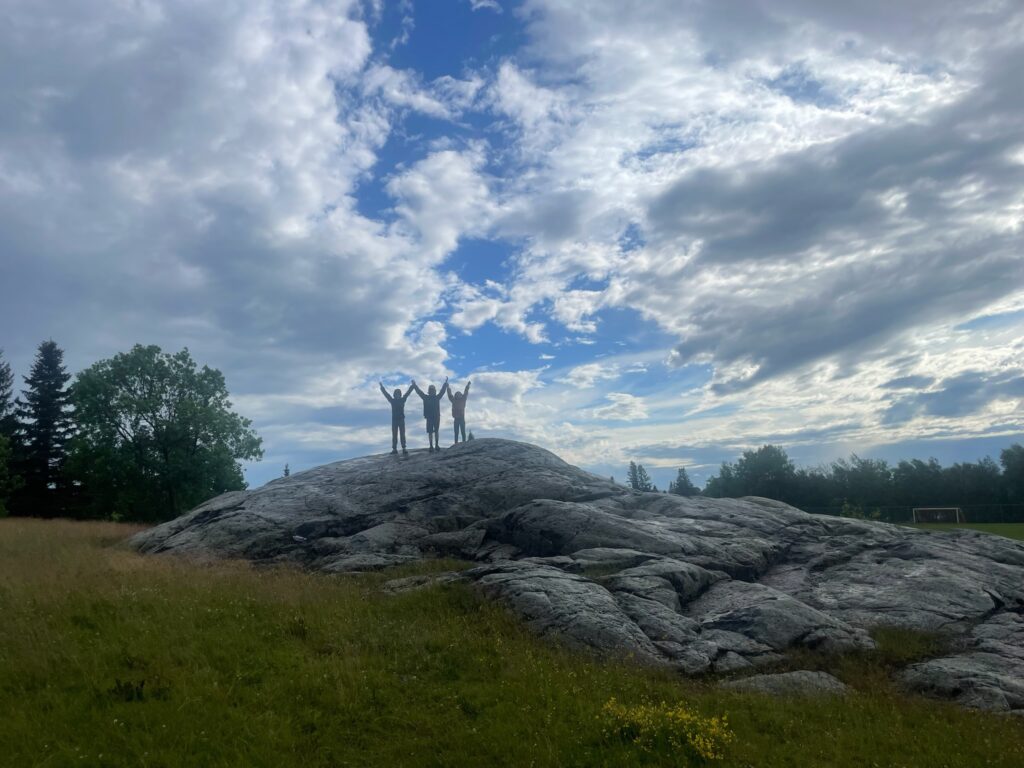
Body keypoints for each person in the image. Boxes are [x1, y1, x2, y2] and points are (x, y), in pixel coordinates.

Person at [411, 377, 449, 452]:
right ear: (429, 391)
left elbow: (442, 391)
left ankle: (436, 445)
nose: (432, 391)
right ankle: (431, 446)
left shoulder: (436, 397)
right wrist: (414, 385)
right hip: (429, 417)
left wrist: (445, 384)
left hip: (436, 417)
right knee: (430, 432)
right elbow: (419, 392)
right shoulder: (426, 397)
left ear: (434, 391)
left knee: (436, 431)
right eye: (431, 390)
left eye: (433, 390)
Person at [379, 381, 414, 455]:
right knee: (394, 435)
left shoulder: (402, 400)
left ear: (400, 394)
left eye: (398, 394)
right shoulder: (392, 401)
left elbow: (408, 393)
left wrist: (412, 386)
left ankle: (404, 448)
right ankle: (394, 449)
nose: (397, 395)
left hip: (401, 420)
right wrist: (382, 387)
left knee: (402, 434)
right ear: (394, 395)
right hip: (394, 420)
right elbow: (386, 395)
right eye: (396, 394)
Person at [447, 380, 471, 444]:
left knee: (463, 431)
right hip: (456, 418)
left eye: (459, 394)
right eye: (457, 394)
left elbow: (466, 392)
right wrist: (448, 388)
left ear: (461, 395)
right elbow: (449, 395)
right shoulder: (453, 400)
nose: (458, 395)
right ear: (456, 395)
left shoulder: (463, 399)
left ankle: (464, 443)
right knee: (456, 432)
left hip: (462, 418)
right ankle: (456, 443)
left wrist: (468, 386)